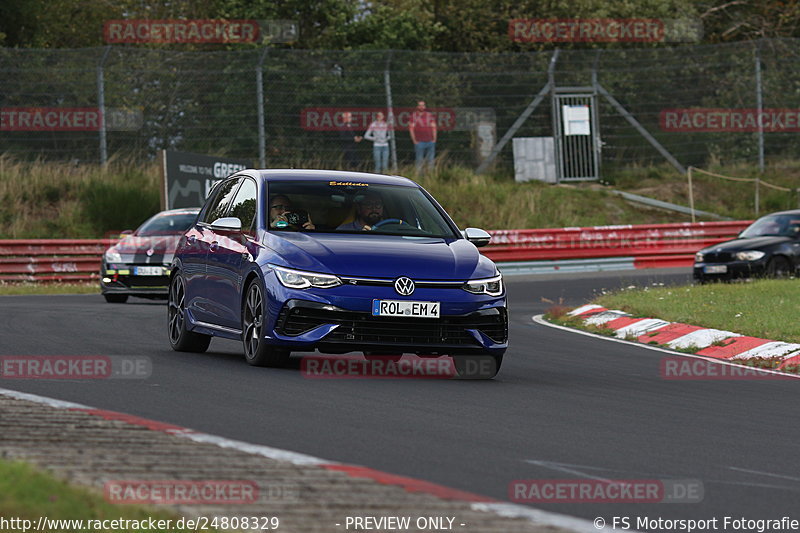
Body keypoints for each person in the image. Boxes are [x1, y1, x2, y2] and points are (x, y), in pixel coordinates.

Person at [409, 100, 437, 174]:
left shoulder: (429, 115)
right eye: (420, 105)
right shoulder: (414, 116)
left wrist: (434, 138)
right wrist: (414, 140)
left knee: (431, 161)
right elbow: (411, 129)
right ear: (417, 106)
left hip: (430, 141)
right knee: (419, 161)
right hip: (419, 141)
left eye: (423, 105)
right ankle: (419, 177)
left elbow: (434, 126)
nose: (422, 107)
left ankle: (430, 176)